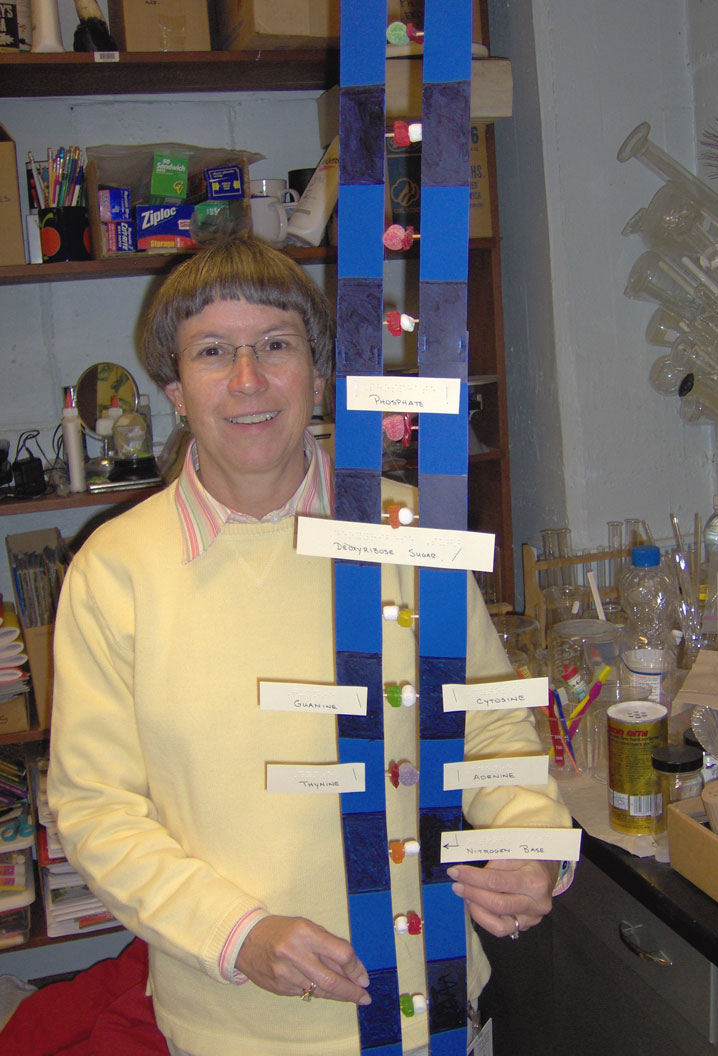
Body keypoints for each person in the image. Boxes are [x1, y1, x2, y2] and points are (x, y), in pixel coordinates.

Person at [48, 236, 573, 1056]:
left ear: (320, 376)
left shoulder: (411, 530)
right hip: (238, 1028)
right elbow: (95, 807)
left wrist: (530, 842)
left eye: (277, 346)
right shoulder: (115, 572)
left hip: (430, 1006)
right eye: (213, 352)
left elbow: (495, 728)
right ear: (174, 390)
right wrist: (240, 933)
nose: (248, 379)